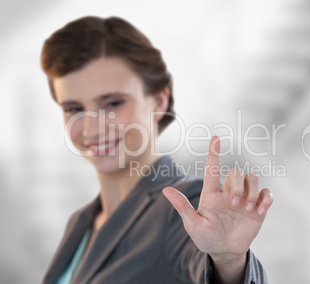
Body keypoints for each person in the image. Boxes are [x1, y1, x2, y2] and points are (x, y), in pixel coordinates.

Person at [40, 16, 273, 284]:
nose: (91, 128)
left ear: (159, 101)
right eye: (74, 109)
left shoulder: (184, 206)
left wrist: (229, 261)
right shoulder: (79, 222)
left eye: (113, 103)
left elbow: (205, 262)